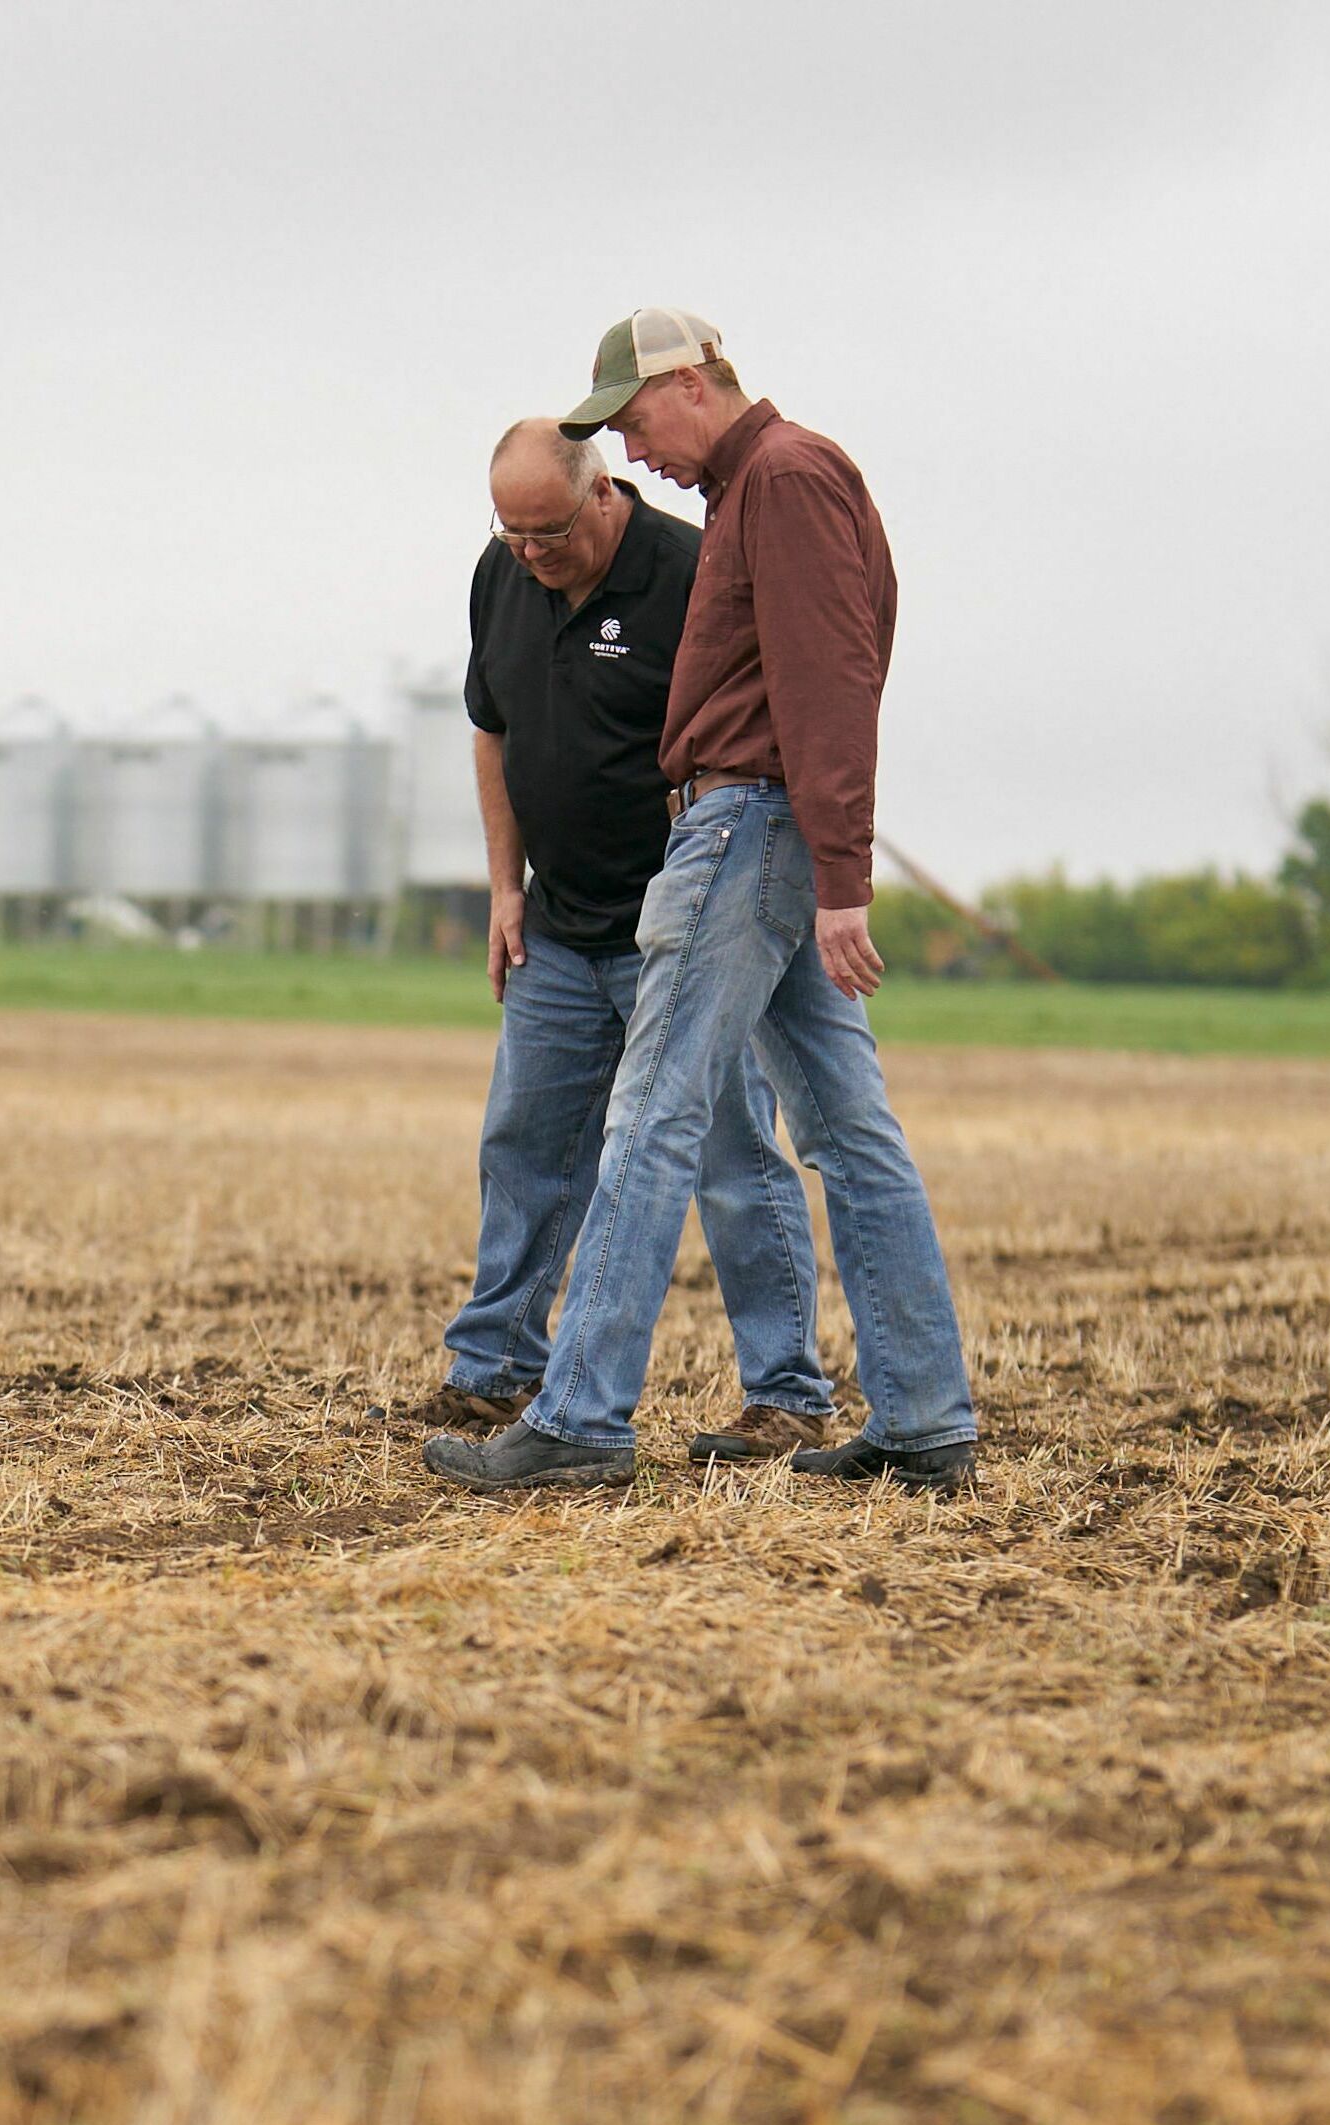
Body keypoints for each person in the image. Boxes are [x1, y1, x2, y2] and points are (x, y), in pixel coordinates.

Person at [425, 308, 980, 1497]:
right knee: (843, 1127)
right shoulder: (765, 487)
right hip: (761, 825)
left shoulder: (780, 479)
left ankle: (576, 1415)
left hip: (743, 823)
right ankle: (924, 1417)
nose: (633, 452)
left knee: (652, 1115)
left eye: (631, 420)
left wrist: (843, 880)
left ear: (689, 382)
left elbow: (829, 680)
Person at [417, 422, 831, 1457]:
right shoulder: (499, 572)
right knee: (525, 1142)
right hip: (557, 921)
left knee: (727, 1149)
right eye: (508, 532)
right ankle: (495, 1366)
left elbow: (746, 744)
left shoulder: (693, 574)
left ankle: (785, 1391)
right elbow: (492, 727)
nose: (528, 553)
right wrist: (503, 888)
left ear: (603, 494)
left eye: (546, 531)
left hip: (682, 925)